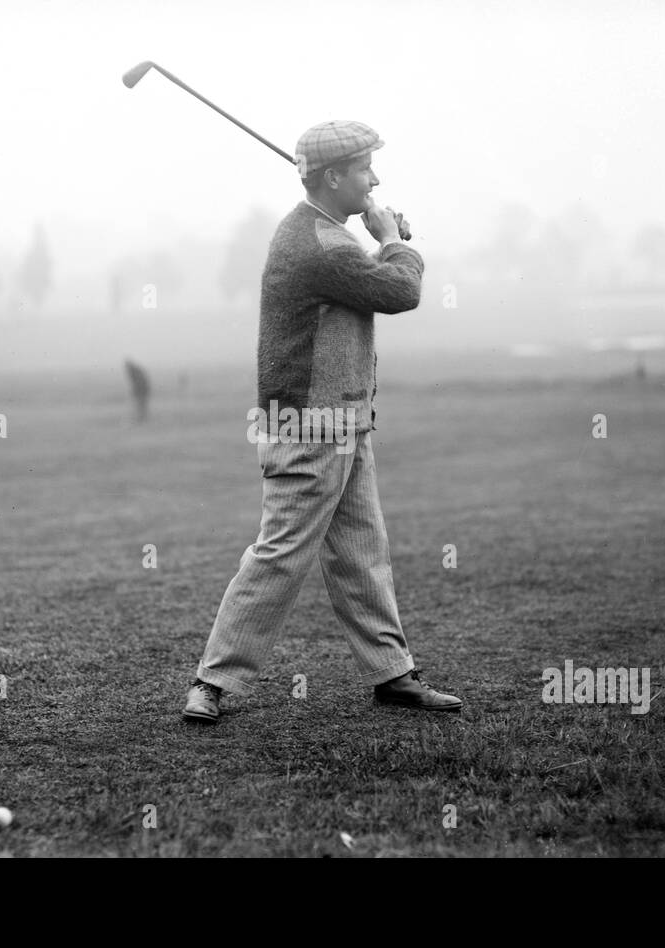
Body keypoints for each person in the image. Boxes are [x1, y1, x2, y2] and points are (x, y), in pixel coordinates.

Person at [182, 120, 462, 723]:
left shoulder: (325, 232)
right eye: (365, 168)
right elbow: (398, 291)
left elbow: (370, 278)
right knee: (281, 553)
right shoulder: (318, 244)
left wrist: (382, 243)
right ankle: (212, 682)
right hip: (310, 425)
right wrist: (394, 242)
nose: (376, 178)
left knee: (362, 552)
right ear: (333, 176)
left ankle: (393, 675)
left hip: (346, 421)